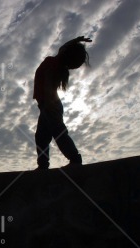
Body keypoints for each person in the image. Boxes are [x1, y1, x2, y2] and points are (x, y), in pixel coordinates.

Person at [33, 36, 91, 170]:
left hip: (49, 104)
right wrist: (76, 40)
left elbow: (48, 84)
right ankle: (43, 165)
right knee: (41, 137)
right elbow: (64, 47)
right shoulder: (57, 61)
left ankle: (75, 159)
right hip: (47, 104)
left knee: (58, 133)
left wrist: (47, 104)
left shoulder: (54, 65)